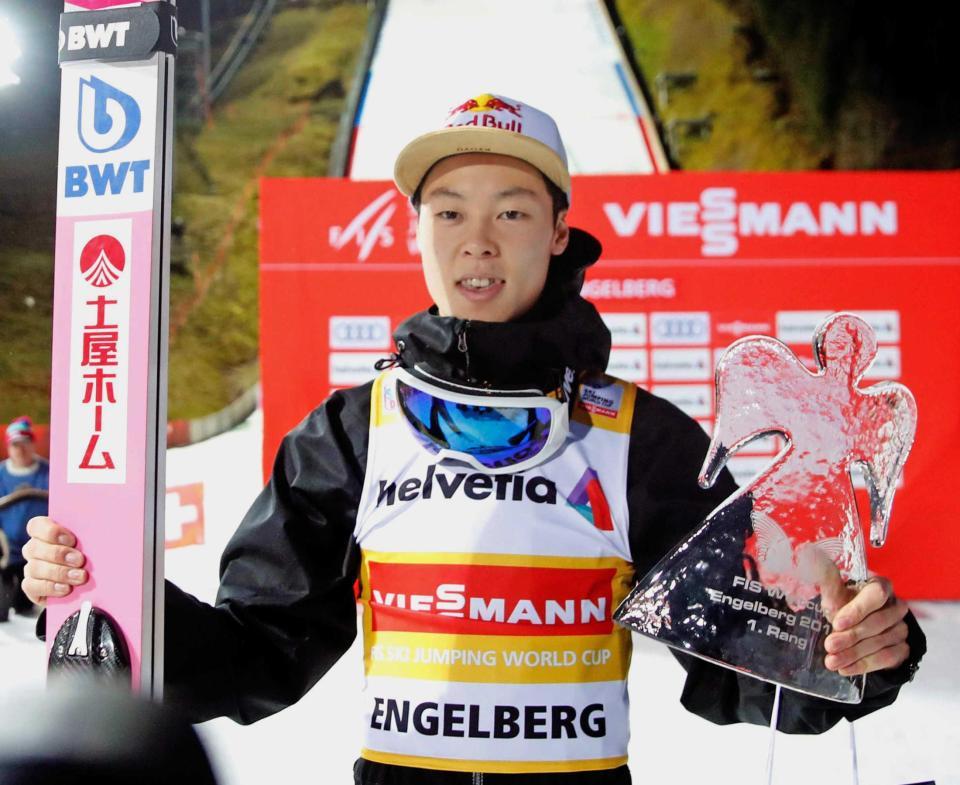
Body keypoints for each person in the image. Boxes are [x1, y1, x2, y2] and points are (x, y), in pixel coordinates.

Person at [22, 94, 924, 783]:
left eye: (512, 212)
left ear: (560, 230)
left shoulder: (637, 436)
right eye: (448, 211)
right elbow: (261, 652)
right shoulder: (350, 432)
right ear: (415, 233)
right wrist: (107, 601)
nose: (477, 242)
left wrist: (862, 651)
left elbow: (746, 665)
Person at [0, 416, 48, 621]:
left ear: (33, 444)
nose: (20, 450)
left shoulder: (48, 473)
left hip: (37, 550)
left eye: (25, 444)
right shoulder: (1, 474)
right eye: (15, 445)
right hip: (6, 550)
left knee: (25, 605)